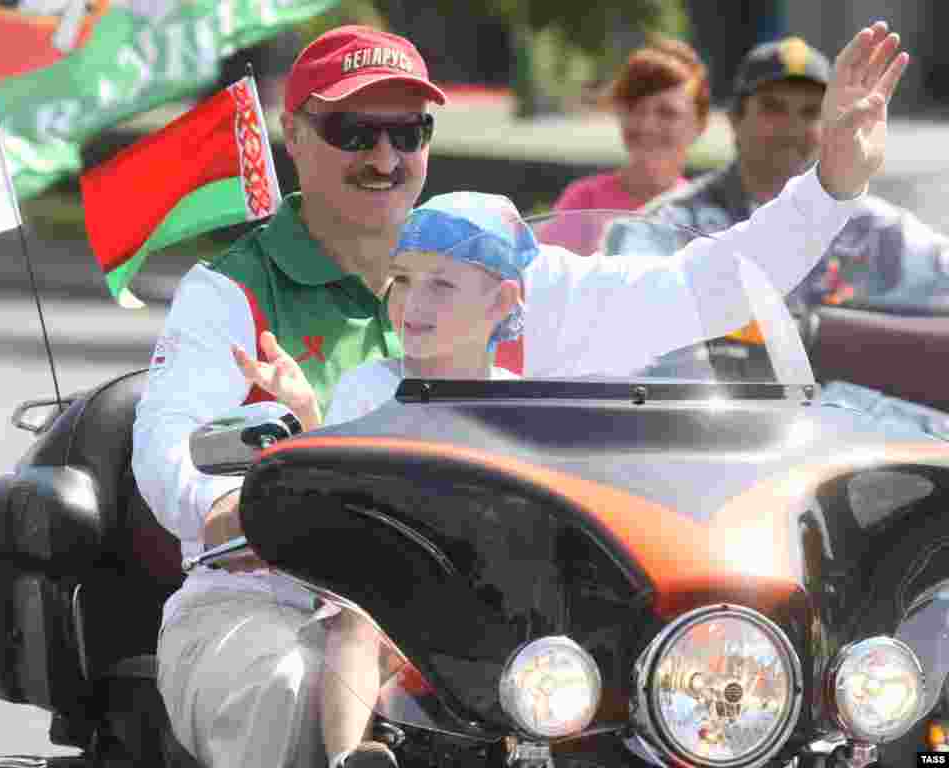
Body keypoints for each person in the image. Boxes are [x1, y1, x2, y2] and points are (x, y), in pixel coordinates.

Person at [132, 20, 908, 768]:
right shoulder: (230, 292)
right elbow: (174, 454)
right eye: (353, 131)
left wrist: (831, 186)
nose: (384, 154)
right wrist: (253, 496)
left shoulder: (510, 280)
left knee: (685, 693)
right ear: (293, 133)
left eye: (409, 132)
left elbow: (704, 288)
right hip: (279, 596)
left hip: (498, 610)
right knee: (298, 688)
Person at [639, 35, 948, 315]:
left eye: (811, 112)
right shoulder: (672, 221)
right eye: (773, 108)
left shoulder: (870, 230)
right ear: (735, 119)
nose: (791, 128)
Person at [233, 191, 534, 428]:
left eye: (441, 284)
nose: (413, 302)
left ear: (499, 302)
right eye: (402, 279)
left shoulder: (521, 404)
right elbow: (332, 487)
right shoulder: (371, 390)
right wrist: (307, 413)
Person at [553, 37, 710, 214]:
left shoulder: (706, 214)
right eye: (635, 108)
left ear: (700, 124)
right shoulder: (584, 202)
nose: (647, 125)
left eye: (667, 112)